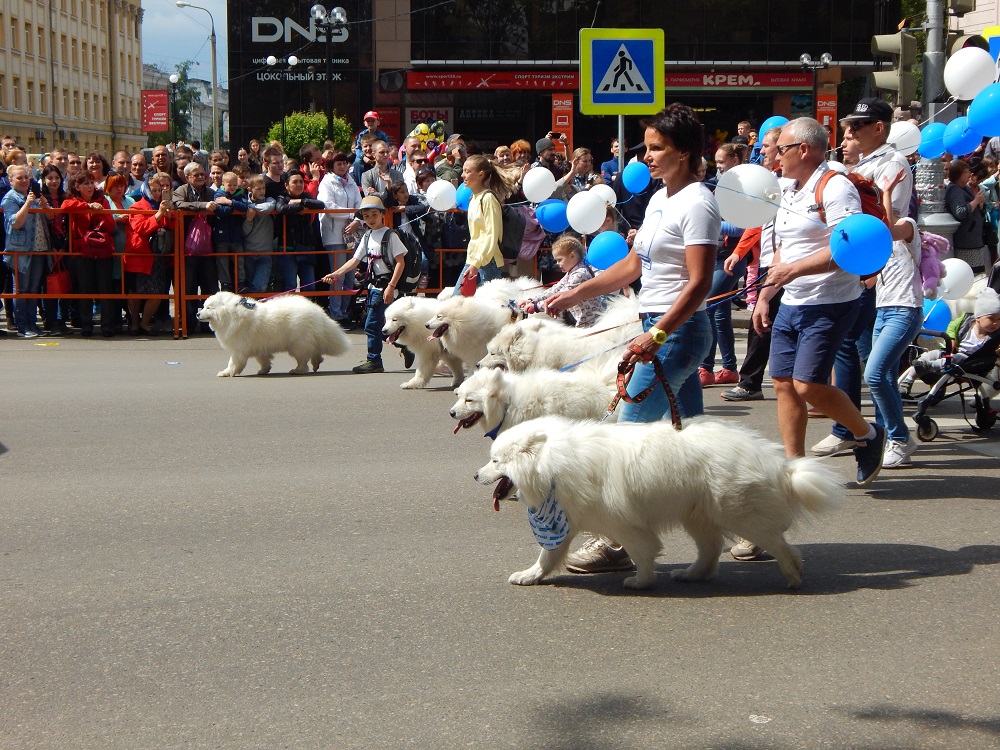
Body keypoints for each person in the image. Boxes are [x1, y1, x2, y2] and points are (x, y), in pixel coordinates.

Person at [545, 103, 721, 573]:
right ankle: (745, 521)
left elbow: (700, 281)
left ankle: (616, 542)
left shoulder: (699, 203)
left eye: (655, 148)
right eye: (646, 148)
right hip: (659, 328)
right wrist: (574, 293)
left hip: (677, 332)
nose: (645, 158)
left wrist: (659, 334)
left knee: (625, 440)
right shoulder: (662, 198)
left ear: (683, 153)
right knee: (693, 444)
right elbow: (634, 266)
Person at [751, 117, 886, 487]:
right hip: (793, 302)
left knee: (807, 385)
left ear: (804, 150)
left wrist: (793, 271)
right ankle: (796, 470)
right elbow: (783, 249)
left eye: (782, 149)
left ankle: (868, 435)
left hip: (831, 301)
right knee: (781, 382)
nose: (776, 155)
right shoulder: (788, 188)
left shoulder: (835, 186)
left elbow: (850, 248)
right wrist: (765, 296)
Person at [812, 97, 911, 458]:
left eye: (856, 126)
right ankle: (864, 428)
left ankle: (868, 431)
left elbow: (889, 222)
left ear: (879, 128)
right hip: (862, 264)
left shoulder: (892, 163)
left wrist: (873, 270)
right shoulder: (862, 162)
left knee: (858, 350)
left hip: (876, 266)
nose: (848, 132)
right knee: (858, 348)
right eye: (848, 126)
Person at [858, 167, 925, 468]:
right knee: (882, 376)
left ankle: (899, 438)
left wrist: (884, 192)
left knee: (873, 374)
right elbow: (869, 280)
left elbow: (888, 226)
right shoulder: (881, 247)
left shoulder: (908, 228)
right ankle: (892, 437)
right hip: (884, 311)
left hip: (906, 310)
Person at [721, 126, 787, 403]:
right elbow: (757, 222)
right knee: (761, 323)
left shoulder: (791, 183)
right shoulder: (771, 183)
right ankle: (751, 382)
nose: (761, 153)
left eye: (767, 148)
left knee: (772, 323)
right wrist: (738, 252)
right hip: (767, 262)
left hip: (787, 264)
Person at [321, 195, 406, 374]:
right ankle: (405, 346)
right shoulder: (367, 236)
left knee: (371, 325)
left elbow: (400, 262)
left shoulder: (390, 235)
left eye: (374, 214)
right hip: (374, 287)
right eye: (366, 216)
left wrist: (391, 286)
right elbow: (354, 260)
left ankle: (374, 360)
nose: (371, 219)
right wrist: (336, 274)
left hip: (387, 287)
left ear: (382, 214)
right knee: (379, 325)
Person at [699, 142, 746, 387]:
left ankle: (705, 368)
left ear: (735, 161)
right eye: (715, 163)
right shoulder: (720, 187)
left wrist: (711, 221)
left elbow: (742, 226)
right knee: (719, 313)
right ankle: (729, 368)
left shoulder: (743, 188)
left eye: (721, 163)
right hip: (717, 256)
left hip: (732, 256)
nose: (717, 168)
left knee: (707, 306)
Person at [901, 287, 1000, 383]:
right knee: (934, 354)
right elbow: (952, 327)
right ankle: (910, 378)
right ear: (978, 317)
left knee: (954, 359)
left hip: (971, 361)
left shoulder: (996, 336)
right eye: (991, 319)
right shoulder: (965, 321)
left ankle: (928, 365)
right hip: (954, 351)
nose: (996, 323)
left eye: (999, 319)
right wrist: (951, 338)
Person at [63, 170, 116, 337]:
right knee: (85, 289)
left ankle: (107, 326)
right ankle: (87, 326)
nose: (90, 187)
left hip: (102, 249)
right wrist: (87, 206)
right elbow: (65, 206)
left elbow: (111, 225)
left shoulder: (103, 200)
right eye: (85, 183)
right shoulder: (73, 200)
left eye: (91, 183)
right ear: (77, 186)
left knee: (105, 288)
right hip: (81, 251)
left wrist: (100, 212)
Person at [455, 154, 518, 294]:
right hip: (474, 259)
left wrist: (476, 264)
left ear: (480, 174)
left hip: (487, 261)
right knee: (459, 303)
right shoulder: (473, 198)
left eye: (467, 171)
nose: (463, 175)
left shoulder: (488, 198)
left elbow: (491, 234)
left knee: (488, 307)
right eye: (463, 171)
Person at [2, 164, 49, 337]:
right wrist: (28, 203)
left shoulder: (33, 195)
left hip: (38, 247)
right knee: (21, 289)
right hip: (20, 250)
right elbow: (16, 222)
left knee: (34, 288)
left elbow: (50, 216)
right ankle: (22, 326)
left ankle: (32, 324)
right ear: (11, 180)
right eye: (19, 178)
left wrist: (44, 205)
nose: (23, 181)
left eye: (26, 177)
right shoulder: (10, 199)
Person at [172, 161, 219, 335]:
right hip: (187, 248)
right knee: (188, 287)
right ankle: (189, 324)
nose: (201, 177)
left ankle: (209, 325)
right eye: (196, 175)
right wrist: (202, 206)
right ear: (187, 177)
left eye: (202, 174)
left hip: (207, 247)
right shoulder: (181, 191)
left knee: (209, 286)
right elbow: (178, 204)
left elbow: (218, 206)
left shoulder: (211, 192)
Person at [519, 235, 603, 327]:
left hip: (592, 324)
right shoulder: (572, 272)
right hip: (584, 322)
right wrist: (532, 300)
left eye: (560, 260)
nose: (557, 264)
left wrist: (536, 307)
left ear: (572, 256)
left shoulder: (580, 274)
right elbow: (555, 289)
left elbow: (561, 297)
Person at [125, 173, 172, 335]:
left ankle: (145, 323)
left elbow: (172, 226)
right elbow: (141, 228)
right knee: (134, 292)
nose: (158, 193)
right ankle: (134, 323)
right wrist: (159, 214)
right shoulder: (136, 207)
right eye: (154, 190)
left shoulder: (163, 205)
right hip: (139, 254)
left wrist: (169, 213)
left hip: (157, 256)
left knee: (157, 292)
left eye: (160, 190)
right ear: (146, 190)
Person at [317, 152, 362, 321]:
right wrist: (352, 216)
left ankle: (345, 310)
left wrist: (357, 220)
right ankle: (336, 313)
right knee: (338, 274)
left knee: (350, 274)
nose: (342, 166)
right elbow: (329, 207)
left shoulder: (351, 181)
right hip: (334, 235)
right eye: (338, 164)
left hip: (352, 235)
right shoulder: (327, 182)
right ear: (332, 166)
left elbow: (360, 204)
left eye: (344, 163)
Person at [274, 171, 325, 294]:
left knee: (309, 286)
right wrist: (303, 208)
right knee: (290, 285)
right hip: (288, 246)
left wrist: (300, 202)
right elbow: (281, 208)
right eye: (295, 182)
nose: (299, 185)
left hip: (306, 246)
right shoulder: (282, 197)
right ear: (287, 185)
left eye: (301, 181)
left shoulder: (306, 196)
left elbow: (320, 204)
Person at [946, 159, 989, 272]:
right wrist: (975, 201)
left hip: (974, 240)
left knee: (978, 271)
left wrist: (979, 204)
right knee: (970, 272)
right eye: (966, 172)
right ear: (959, 174)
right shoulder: (954, 190)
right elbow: (960, 212)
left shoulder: (965, 188)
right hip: (966, 242)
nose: (970, 174)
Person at [212, 171, 250, 292]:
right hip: (222, 235)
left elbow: (245, 207)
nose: (233, 188)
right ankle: (225, 283)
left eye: (235, 185)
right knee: (223, 262)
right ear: (223, 184)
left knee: (239, 261)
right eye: (230, 185)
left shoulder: (240, 194)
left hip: (236, 235)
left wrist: (229, 202)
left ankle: (240, 282)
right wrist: (234, 208)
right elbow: (220, 211)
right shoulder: (218, 194)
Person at [240, 175, 277, 293]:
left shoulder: (268, 200)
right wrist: (249, 220)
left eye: (263, 188)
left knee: (259, 287)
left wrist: (251, 207)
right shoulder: (243, 202)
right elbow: (244, 232)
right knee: (250, 284)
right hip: (249, 251)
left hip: (265, 252)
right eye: (258, 189)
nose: (262, 191)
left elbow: (268, 207)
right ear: (250, 189)